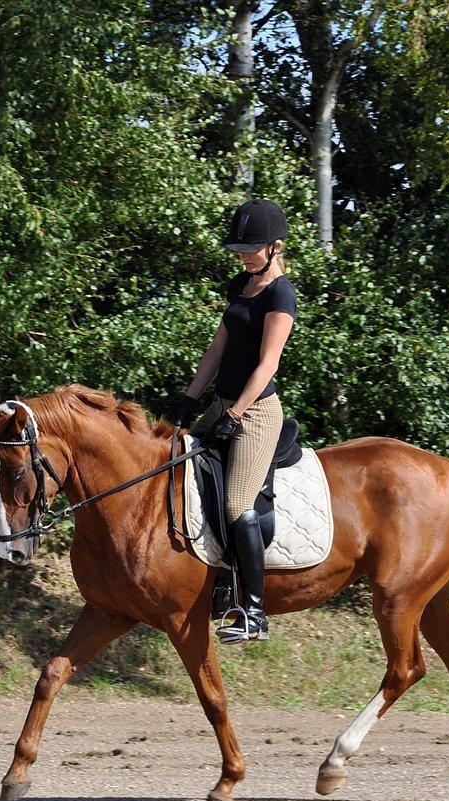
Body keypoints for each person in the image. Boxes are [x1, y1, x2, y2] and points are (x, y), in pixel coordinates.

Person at [172, 198, 298, 644]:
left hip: (257, 412)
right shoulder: (239, 286)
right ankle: (214, 579)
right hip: (223, 403)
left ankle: (254, 612)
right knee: (176, 465)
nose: (244, 256)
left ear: (275, 246)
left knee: (235, 504)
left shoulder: (280, 294)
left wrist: (236, 414)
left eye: (251, 248)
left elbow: (267, 365)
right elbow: (217, 350)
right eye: (239, 248)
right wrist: (190, 401)